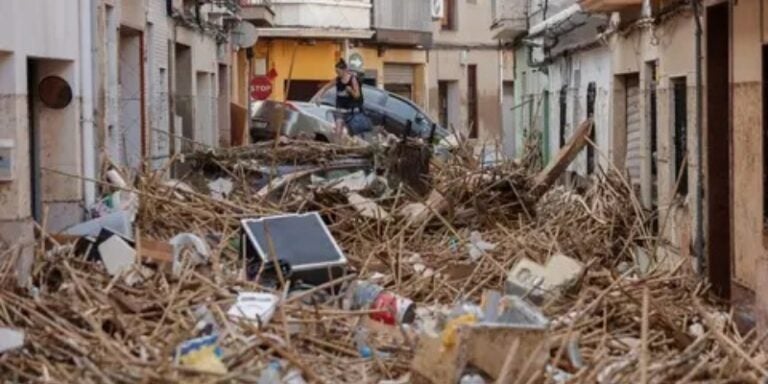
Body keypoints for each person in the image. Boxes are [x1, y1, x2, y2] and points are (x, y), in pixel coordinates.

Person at [320, 59, 370, 139]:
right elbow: (326, 87)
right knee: (338, 131)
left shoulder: (353, 79)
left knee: (352, 135)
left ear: (344, 70)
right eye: (336, 71)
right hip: (340, 110)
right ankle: (336, 147)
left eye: (338, 71)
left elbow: (357, 95)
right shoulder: (337, 79)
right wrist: (320, 96)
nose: (337, 73)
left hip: (351, 112)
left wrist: (350, 91)